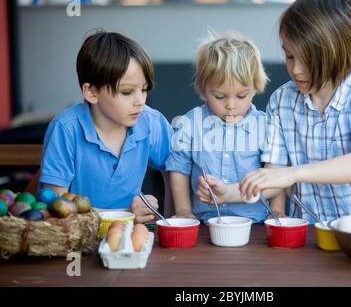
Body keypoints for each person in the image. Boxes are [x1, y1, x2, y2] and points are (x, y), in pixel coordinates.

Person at [239, 0, 351, 222]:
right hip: (314, 234)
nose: (296, 70)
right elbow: (275, 178)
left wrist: (293, 173)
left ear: (338, 55)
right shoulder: (282, 102)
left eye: (309, 60)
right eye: (290, 56)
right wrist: (229, 192)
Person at [40, 30, 173, 224]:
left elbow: (177, 168)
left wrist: (171, 221)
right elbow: (54, 209)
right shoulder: (66, 129)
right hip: (77, 242)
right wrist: (126, 213)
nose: (140, 101)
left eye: (144, 90)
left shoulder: (150, 122)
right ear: (92, 92)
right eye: (127, 92)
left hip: (131, 239)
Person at [165, 31, 286, 223]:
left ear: (254, 88)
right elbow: (179, 169)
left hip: (254, 223)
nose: (231, 105)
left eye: (241, 96)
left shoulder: (265, 126)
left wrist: (277, 211)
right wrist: (183, 210)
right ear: (204, 89)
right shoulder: (190, 124)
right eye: (220, 97)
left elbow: (274, 173)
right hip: (205, 222)